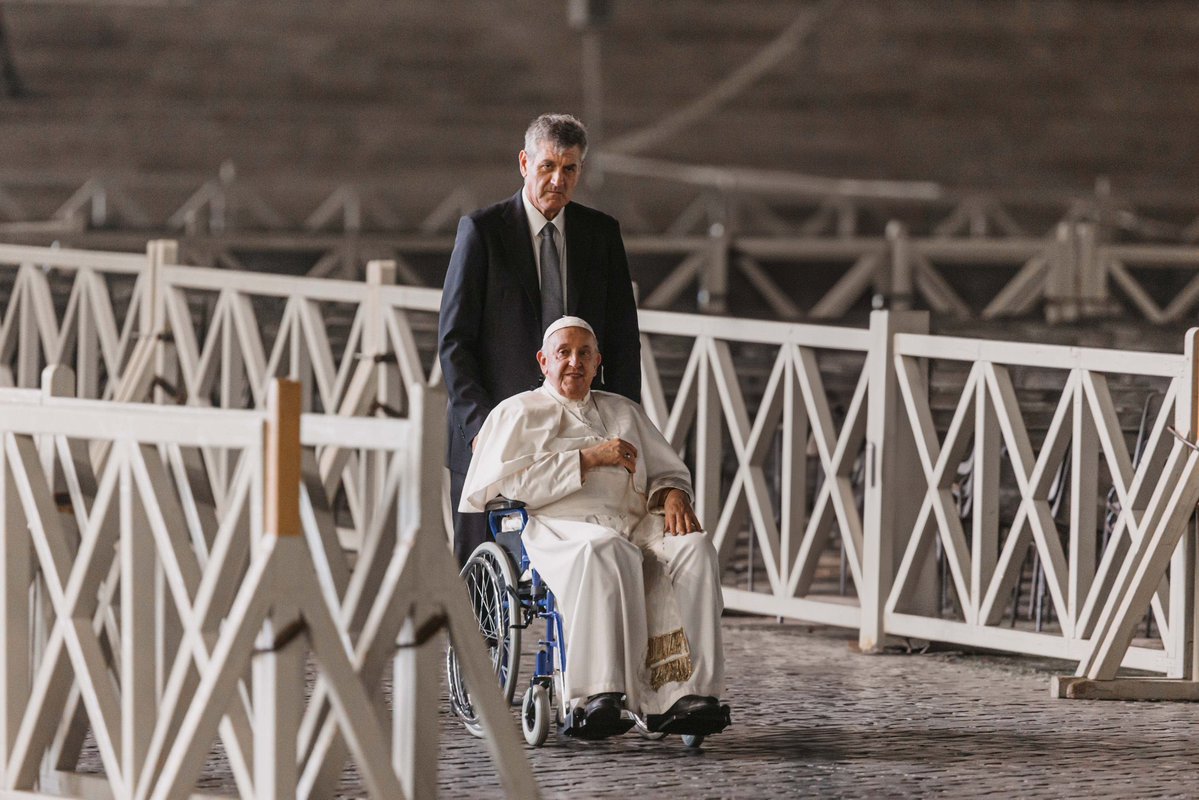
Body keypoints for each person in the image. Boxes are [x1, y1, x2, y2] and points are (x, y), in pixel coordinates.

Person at [460, 317, 727, 739]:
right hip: (558, 525)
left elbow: (666, 471)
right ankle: (597, 694)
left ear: (598, 361)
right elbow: (506, 485)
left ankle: (691, 694)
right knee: (605, 549)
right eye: (564, 353)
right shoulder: (517, 412)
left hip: (637, 523)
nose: (574, 362)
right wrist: (588, 459)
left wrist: (674, 493)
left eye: (584, 353)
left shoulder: (624, 411)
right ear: (543, 360)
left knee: (694, 547)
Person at [438, 113, 641, 568]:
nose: (557, 179)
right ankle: (469, 642)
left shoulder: (601, 234)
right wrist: (480, 430)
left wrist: (626, 427)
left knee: (590, 556)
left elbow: (624, 343)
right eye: (547, 166)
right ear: (525, 162)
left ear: (580, 172)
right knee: (479, 569)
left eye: (569, 169)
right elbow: (455, 342)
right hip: (494, 432)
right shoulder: (482, 232)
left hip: (578, 433)